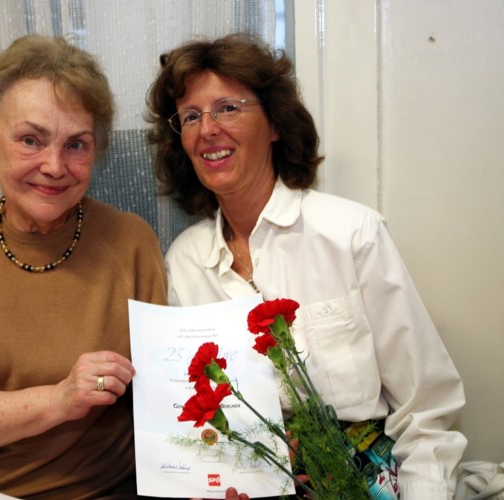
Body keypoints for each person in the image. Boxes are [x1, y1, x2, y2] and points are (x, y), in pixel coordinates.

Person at [146, 32, 467, 500]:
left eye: (228, 108)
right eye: (191, 116)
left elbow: (427, 413)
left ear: (275, 124)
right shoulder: (183, 261)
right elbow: (196, 424)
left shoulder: (351, 235)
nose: (207, 129)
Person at [0, 35, 167, 499]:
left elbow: (162, 398)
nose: (54, 166)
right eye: (30, 140)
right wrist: (59, 400)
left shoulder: (130, 242)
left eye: (76, 144)